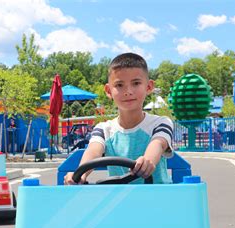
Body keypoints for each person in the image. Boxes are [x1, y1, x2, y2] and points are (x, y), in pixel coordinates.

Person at [64, 53, 173, 185]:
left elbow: (158, 143)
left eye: (136, 83)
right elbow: (94, 150)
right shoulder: (103, 129)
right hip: (119, 200)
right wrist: (80, 174)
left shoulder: (161, 123)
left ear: (149, 87)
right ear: (109, 91)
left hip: (158, 199)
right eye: (120, 85)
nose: (128, 91)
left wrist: (147, 161)